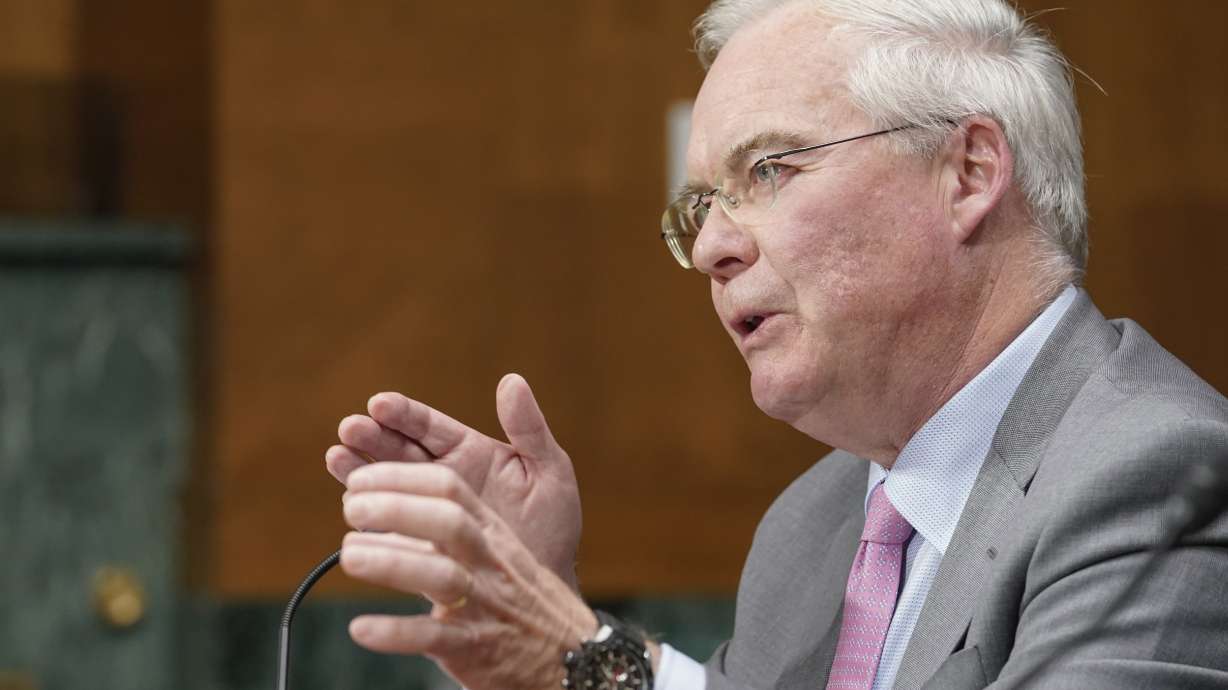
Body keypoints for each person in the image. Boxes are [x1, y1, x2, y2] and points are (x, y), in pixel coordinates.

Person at [323, 1, 1228, 688]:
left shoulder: (1159, 476)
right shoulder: (813, 523)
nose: (711, 249)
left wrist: (586, 661)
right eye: (701, 207)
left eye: (769, 170)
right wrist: (546, 615)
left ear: (969, 171)